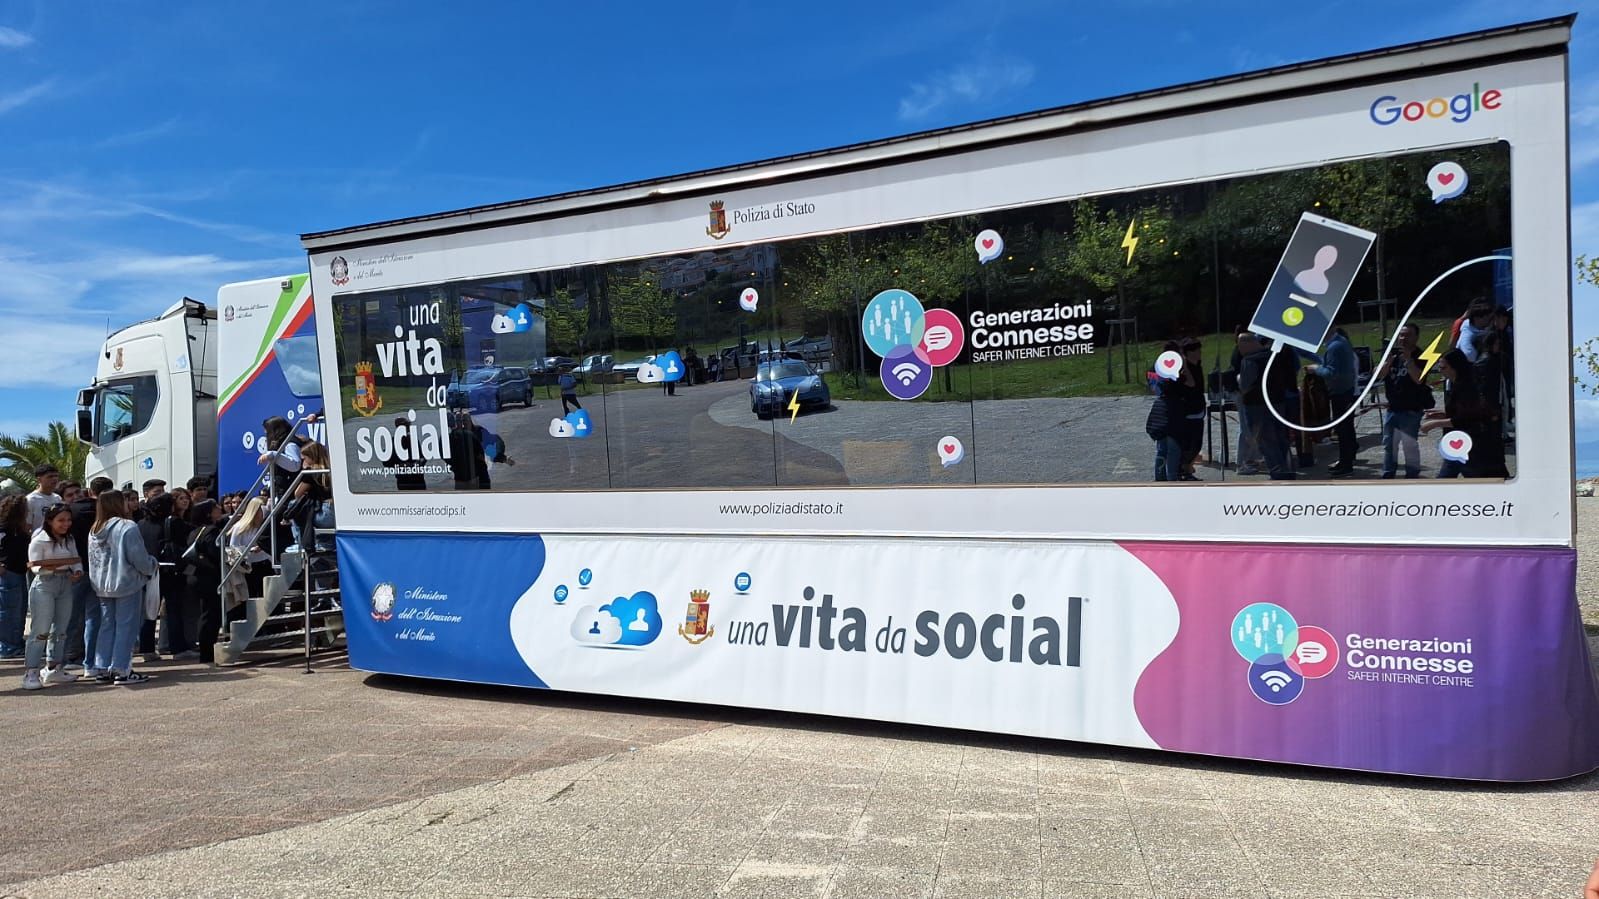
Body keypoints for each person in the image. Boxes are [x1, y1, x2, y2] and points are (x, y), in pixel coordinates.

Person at [87, 489, 158, 684]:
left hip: (102, 584)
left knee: (107, 625)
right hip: (125, 582)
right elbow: (138, 557)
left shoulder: (94, 529)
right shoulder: (127, 526)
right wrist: (151, 565)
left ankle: (102, 667)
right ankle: (121, 668)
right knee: (126, 626)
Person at [21, 504, 85, 689]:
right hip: (45, 584)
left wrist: (77, 572)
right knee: (41, 629)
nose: (66, 524)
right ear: (50, 521)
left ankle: (54, 668)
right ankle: (31, 671)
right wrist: (50, 567)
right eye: (61, 520)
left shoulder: (69, 539)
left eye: (68, 520)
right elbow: (35, 567)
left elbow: (75, 559)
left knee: (61, 629)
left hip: (65, 583)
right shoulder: (39, 540)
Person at [1422, 348, 1505, 478]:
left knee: (1469, 479)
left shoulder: (1468, 388)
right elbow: (1462, 411)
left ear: (1454, 368)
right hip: (1460, 442)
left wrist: (1434, 424)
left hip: (1474, 444)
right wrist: (1442, 413)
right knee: (1447, 478)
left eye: (1443, 367)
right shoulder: (1456, 384)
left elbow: (1464, 419)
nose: (1440, 370)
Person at [65, 477, 110, 671]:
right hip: (99, 569)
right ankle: (90, 660)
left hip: (75, 567)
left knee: (69, 615)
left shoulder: (71, 512)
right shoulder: (108, 512)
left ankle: (68, 655)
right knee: (94, 616)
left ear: (89, 491)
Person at [1238, 334, 1297, 480]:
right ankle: (1286, 467)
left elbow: (1245, 385)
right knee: (1280, 437)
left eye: (1240, 345)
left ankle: (1277, 472)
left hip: (1256, 405)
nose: (1239, 349)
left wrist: (1238, 379)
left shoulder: (1249, 360)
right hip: (1277, 402)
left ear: (1248, 344)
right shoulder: (1274, 356)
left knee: (1265, 440)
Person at [1376, 323, 1431, 479]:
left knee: (1409, 445)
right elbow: (1377, 375)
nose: (1403, 339)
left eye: (1408, 335)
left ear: (1416, 337)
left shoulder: (1422, 356)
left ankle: (1412, 476)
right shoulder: (1391, 354)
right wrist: (1386, 363)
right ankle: (1388, 474)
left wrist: (1408, 360)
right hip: (1392, 408)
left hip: (1411, 409)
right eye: (1401, 335)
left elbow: (1419, 379)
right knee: (1389, 445)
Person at [1150, 341, 1206, 482]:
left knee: (1162, 449)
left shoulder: (1155, 369)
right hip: (1175, 412)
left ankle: (1160, 479)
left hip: (1160, 408)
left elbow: (1154, 388)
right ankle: (1172, 479)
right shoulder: (1176, 370)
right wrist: (1184, 367)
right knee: (1174, 449)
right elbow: (1191, 383)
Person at [1307, 328, 1359, 477]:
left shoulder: (1335, 346)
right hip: (1345, 392)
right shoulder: (1339, 343)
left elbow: (1331, 372)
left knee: (1344, 431)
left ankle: (1346, 465)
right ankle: (1345, 462)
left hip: (1341, 394)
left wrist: (1316, 370)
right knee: (1345, 430)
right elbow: (1328, 363)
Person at [184, 499, 226, 664]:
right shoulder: (211, 532)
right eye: (216, 508)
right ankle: (207, 653)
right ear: (209, 513)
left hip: (196, 575)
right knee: (210, 616)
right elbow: (215, 554)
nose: (219, 509)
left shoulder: (195, 531)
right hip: (208, 577)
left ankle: (206, 651)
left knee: (205, 614)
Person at [448, 411, 512, 490]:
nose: (465, 422)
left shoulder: (479, 430)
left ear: (470, 420)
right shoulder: (460, 435)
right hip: (466, 475)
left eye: (466, 419)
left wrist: (504, 458)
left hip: (481, 471)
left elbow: (491, 444)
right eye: (463, 420)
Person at [0, 495, 29, 658]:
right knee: (8, 611)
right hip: (8, 573)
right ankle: (7, 646)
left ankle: (15, 642)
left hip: (18, 572)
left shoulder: (18, 529)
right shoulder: (3, 529)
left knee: (18, 610)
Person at [1455, 297, 1495, 363]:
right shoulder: (1467, 333)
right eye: (1486, 317)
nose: (1488, 319)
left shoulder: (1483, 327)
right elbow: (1469, 354)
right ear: (1476, 318)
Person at [25, 463, 62, 531]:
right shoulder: (31, 500)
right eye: (50, 476)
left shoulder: (58, 498)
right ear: (39, 480)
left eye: (56, 476)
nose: (55, 479)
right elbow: (27, 526)